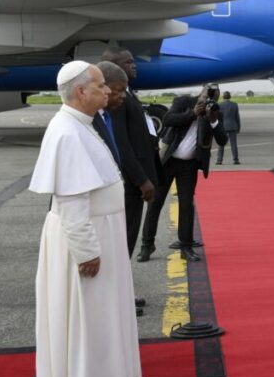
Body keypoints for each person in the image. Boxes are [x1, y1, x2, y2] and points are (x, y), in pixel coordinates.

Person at [29, 61, 142, 377]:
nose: (107, 90)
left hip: (100, 232)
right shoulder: (67, 132)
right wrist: (87, 252)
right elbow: (71, 202)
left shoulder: (81, 125)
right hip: (87, 241)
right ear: (81, 91)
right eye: (100, 85)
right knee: (89, 320)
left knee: (102, 316)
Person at [141, 83, 227, 262]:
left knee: (187, 206)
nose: (210, 97)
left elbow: (222, 140)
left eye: (215, 94)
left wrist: (213, 121)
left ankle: (186, 247)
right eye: (208, 93)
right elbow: (168, 119)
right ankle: (147, 245)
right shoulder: (184, 102)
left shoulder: (215, 112)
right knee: (155, 203)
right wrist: (193, 114)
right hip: (167, 161)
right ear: (201, 92)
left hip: (189, 166)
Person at [94, 61, 149, 317]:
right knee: (117, 248)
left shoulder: (105, 114)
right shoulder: (86, 121)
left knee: (120, 246)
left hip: (116, 195)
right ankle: (116, 299)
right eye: (116, 90)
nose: (134, 65)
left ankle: (120, 295)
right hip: (105, 204)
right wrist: (141, 179)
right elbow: (124, 147)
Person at [101, 48, 162, 264]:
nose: (134, 65)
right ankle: (121, 281)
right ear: (115, 67)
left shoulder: (128, 94)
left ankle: (123, 279)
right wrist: (141, 180)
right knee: (125, 235)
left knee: (129, 234)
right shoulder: (117, 99)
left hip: (136, 179)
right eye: (128, 62)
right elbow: (121, 143)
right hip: (131, 182)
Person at [215, 91, 242, 165]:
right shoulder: (234, 104)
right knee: (234, 144)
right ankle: (235, 160)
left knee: (221, 144)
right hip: (233, 126)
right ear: (230, 97)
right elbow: (237, 117)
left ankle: (219, 160)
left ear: (223, 97)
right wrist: (238, 127)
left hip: (223, 127)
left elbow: (217, 117)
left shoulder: (220, 105)